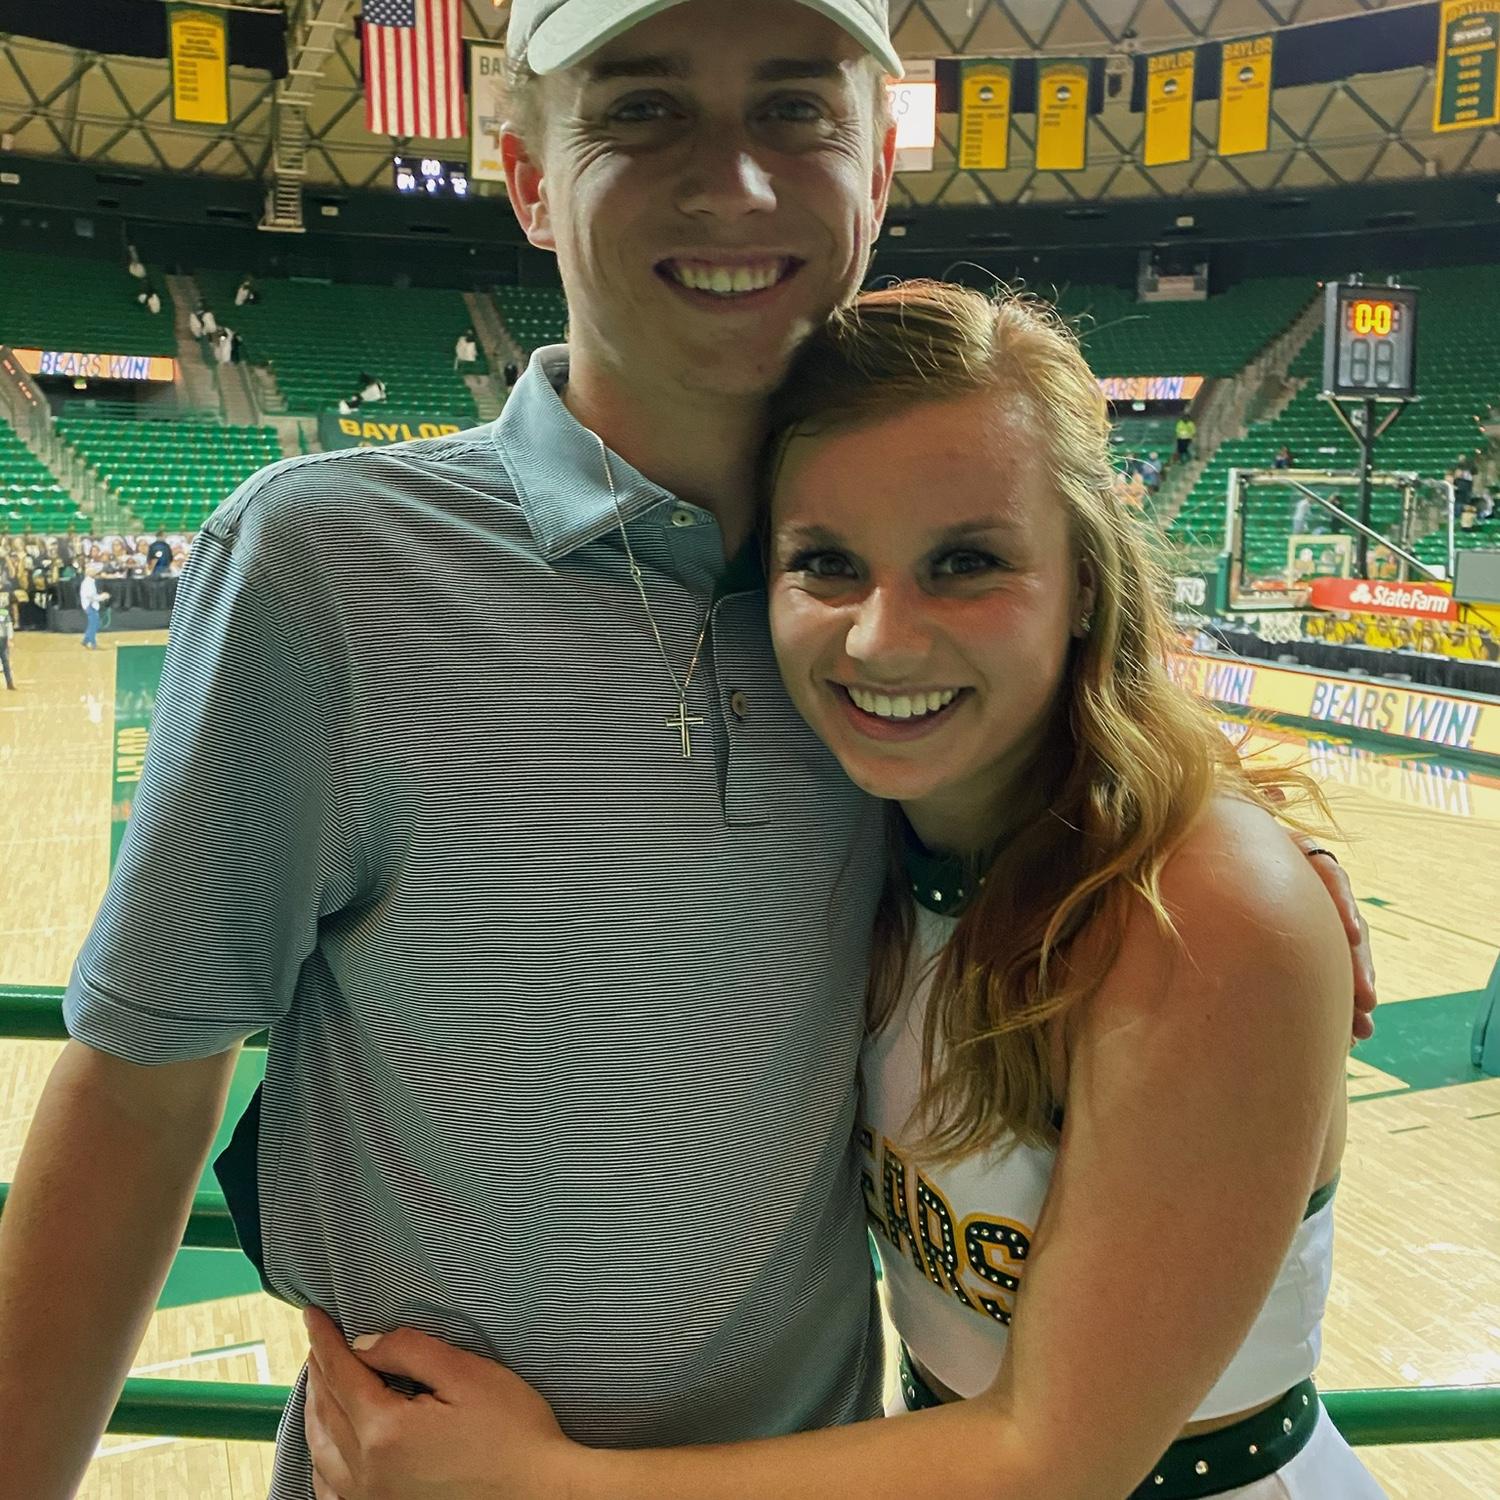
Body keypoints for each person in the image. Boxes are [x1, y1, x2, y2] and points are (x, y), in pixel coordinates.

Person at [0, 7, 1371, 1500]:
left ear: (877, 172)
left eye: (795, 109)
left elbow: (1071, 736)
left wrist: (1240, 861)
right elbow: (136, 1099)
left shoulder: (858, 636)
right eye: (642, 110)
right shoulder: (323, 566)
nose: (735, 182)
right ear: (528, 177)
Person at [299, 286, 1387, 1499]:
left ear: (1086, 580)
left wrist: (537, 1485)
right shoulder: (869, 824)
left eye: (965, 563)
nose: (880, 640)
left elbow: (1051, 1460)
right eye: (826, 563)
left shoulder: (1202, 915)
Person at [78, 564, 108, 649]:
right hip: (90, 605)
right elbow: (90, 596)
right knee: (93, 625)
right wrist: (102, 597)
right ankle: (92, 643)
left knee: (94, 624)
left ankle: (85, 640)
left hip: (90, 605)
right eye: (93, 571)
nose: (95, 572)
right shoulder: (88, 583)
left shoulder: (90, 581)